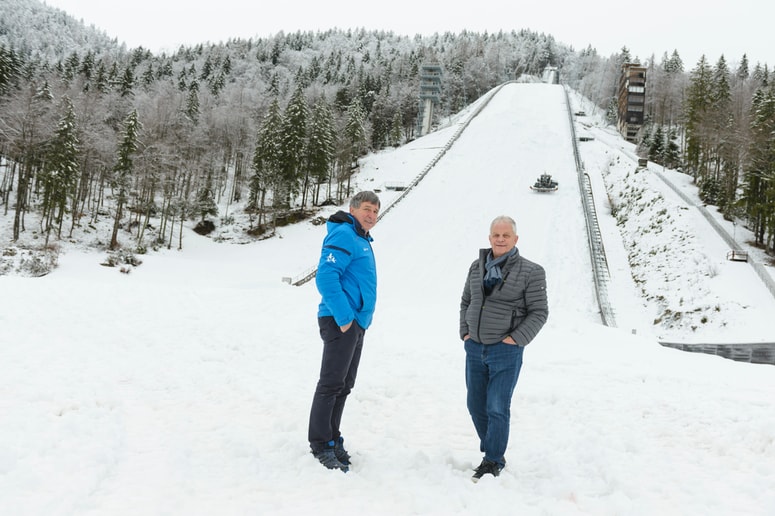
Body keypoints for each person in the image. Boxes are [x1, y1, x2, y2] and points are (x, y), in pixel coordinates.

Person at [459, 215, 548, 482]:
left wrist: (516, 339)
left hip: (505, 350)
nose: (500, 239)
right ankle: (494, 450)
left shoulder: (532, 271)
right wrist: (464, 332)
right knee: (475, 405)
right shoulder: (477, 266)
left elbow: (539, 312)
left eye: (505, 235)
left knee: (497, 406)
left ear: (515, 239)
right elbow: (466, 301)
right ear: (489, 238)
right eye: (496, 235)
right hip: (475, 347)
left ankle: (493, 459)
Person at [308, 190, 381, 472]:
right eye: (366, 209)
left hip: (355, 323)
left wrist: (359, 320)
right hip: (341, 321)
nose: (371, 215)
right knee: (330, 384)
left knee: (344, 385)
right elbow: (326, 276)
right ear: (352, 209)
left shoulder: (361, 238)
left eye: (375, 211)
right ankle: (320, 443)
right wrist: (345, 317)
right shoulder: (344, 234)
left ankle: (332, 437)